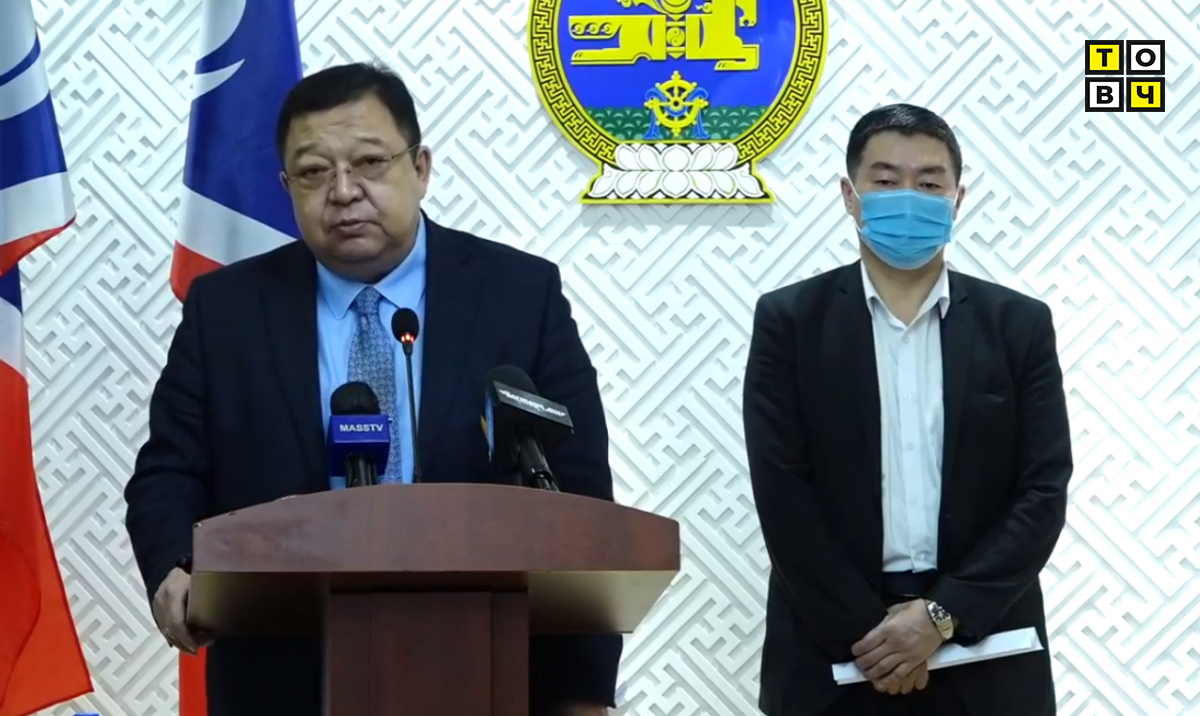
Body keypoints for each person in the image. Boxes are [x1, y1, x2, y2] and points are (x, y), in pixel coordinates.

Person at [123, 62, 619, 716]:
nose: (343, 191)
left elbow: (579, 497)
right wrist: (175, 565)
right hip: (279, 680)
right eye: (313, 171)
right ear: (287, 187)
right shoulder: (227, 310)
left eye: (369, 163)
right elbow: (168, 470)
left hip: (490, 672)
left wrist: (582, 691)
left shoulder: (519, 296)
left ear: (421, 168)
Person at [742, 103, 1072, 716]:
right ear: (850, 196)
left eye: (929, 183)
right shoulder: (791, 321)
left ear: (957, 198)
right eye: (887, 181)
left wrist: (941, 616)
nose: (909, 199)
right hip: (831, 654)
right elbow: (782, 491)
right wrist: (878, 640)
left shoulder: (1019, 326)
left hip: (988, 647)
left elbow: (1043, 489)